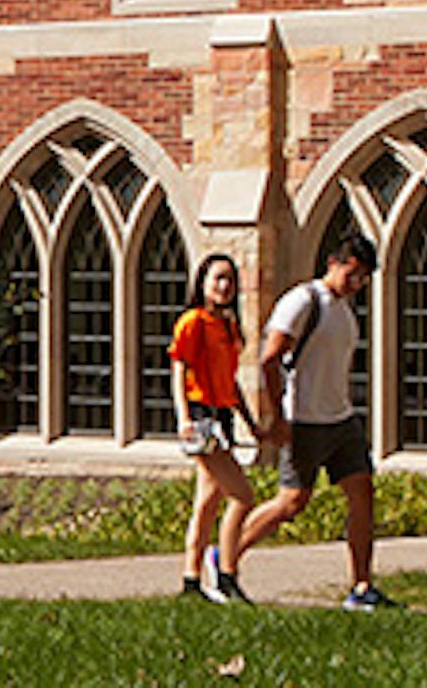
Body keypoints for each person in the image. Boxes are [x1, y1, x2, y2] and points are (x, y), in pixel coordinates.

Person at [225, 233, 390, 610]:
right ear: (333, 262)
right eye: (352, 273)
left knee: (363, 494)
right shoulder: (303, 301)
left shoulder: (344, 310)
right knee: (291, 502)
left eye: (362, 278)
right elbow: (269, 358)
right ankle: (226, 556)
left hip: (341, 419)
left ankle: (362, 588)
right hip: (304, 420)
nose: (356, 284)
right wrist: (278, 418)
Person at [168, 252, 259, 602]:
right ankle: (226, 573)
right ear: (202, 283)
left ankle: (191, 581)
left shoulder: (229, 327)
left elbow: (230, 382)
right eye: (217, 278)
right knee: (242, 495)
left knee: (207, 501)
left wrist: (250, 421)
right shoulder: (192, 322)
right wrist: (183, 417)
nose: (224, 286)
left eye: (229, 280)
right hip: (201, 416)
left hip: (221, 416)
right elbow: (179, 369)